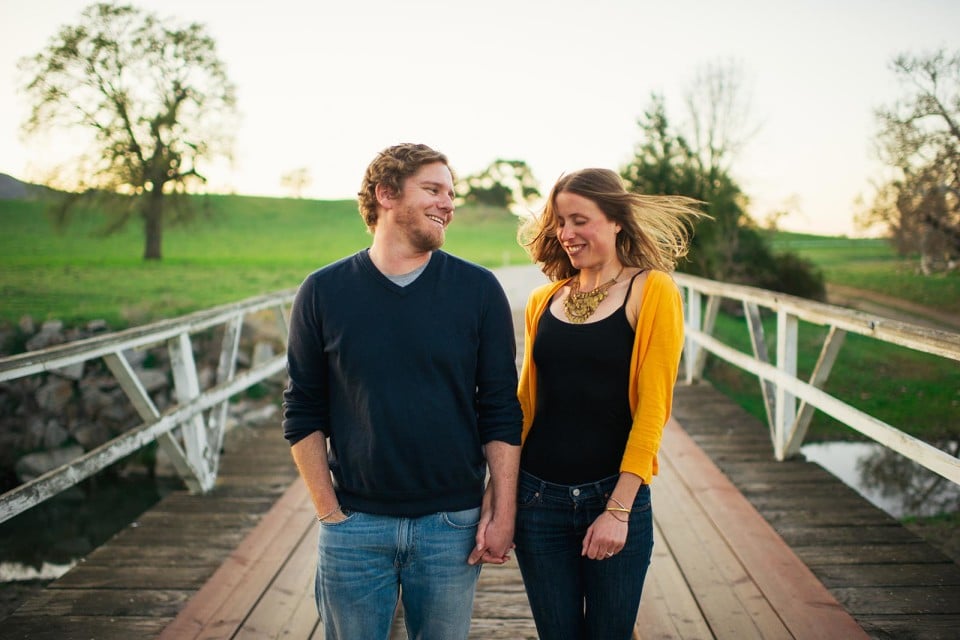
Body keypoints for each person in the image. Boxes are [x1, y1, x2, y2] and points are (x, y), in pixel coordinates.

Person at [282, 143, 523, 640]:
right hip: (355, 525)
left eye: (451, 194)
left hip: (452, 526)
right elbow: (303, 408)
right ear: (386, 194)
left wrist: (503, 511)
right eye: (433, 190)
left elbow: (500, 407)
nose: (448, 204)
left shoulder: (477, 290)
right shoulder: (323, 292)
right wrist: (330, 513)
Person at [513, 168, 703, 640]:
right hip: (537, 500)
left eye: (580, 219)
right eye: (560, 221)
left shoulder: (652, 291)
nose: (566, 233)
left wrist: (618, 509)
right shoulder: (544, 300)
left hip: (613, 497)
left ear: (616, 219)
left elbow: (653, 409)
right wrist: (499, 496)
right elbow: (524, 405)